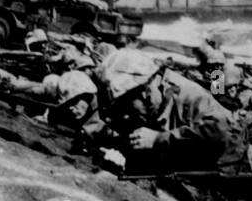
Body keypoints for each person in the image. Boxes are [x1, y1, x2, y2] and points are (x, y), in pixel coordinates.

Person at [94, 49, 237, 174]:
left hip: (225, 168)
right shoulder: (150, 97)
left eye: (127, 102)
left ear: (145, 91)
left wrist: (159, 139)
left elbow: (219, 131)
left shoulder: (189, 93)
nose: (126, 112)